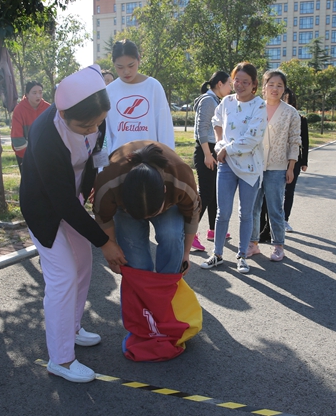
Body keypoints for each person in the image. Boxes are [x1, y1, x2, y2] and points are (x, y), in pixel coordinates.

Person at [20, 65, 126, 383]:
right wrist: (105, 241)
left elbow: (96, 158)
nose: (92, 129)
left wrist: (93, 190)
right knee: (63, 276)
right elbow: (61, 203)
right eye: (84, 126)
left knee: (82, 267)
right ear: (63, 115)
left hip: (72, 199)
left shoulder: (96, 116)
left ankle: (73, 327)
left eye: (98, 123)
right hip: (44, 207)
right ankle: (61, 359)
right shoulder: (44, 133)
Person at [93, 141, 200, 275]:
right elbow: (103, 217)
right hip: (129, 204)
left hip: (167, 202)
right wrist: (110, 247)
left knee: (171, 236)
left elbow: (192, 215)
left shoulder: (181, 179)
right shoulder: (108, 184)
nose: (147, 218)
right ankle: (140, 287)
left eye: (153, 213)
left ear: (165, 190)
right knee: (136, 263)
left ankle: (169, 285)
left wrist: (185, 254)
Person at [200, 61, 267, 274]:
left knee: (246, 214)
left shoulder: (260, 106)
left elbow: (252, 138)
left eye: (245, 82)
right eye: (236, 80)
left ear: (254, 84)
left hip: (249, 168)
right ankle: (217, 254)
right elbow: (216, 120)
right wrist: (220, 142)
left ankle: (242, 256)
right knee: (222, 212)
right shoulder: (227, 101)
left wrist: (225, 149)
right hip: (227, 165)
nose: (239, 85)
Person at [247, 71, 301, 262]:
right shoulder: (255, 107)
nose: (275, 89)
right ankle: (252, 244)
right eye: (271, 84)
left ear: (284, 88)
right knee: (253, 207)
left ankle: (278, 245)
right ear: (264, 86)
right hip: (254, 165)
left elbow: (295, 141)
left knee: (275, 208)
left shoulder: (290, 113)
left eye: (279, 85)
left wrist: (291, 166)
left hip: (278, 167)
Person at [105, 39, 175, 153]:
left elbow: (164, 127)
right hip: (119, 162)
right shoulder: (109, 91)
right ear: (113, 64)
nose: (126, 72)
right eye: (120, 67)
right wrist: (105, 166)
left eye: (131, 65)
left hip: (150, 160)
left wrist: (168, 158)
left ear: (139, 59)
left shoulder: (153, 86)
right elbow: (105, 134)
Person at [192, 71, 232, 251]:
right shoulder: (208, 101)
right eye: (229, 84)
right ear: (220, 84)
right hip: (205, 151)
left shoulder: (216, 100)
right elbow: (201, 129)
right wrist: (208, 155)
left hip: (212, 151)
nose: (231, 88)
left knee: (215, 193)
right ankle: (190, 233)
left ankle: (214, 230)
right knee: (206, 194)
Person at [283, 87, 309, 232]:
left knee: (289, 191)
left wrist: (304, 161)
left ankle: (285, 219)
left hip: (294, 160)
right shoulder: (276, 116)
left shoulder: (301, 119)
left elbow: (304, 141)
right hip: (277, 159)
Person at [11, 81, 50, 171]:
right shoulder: (19, 110)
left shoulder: (48, 109)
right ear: (27, 94)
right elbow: (17, 141)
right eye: (34, 93)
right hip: (24, 155)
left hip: (45, 155)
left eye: (40, 92)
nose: (38, 96)